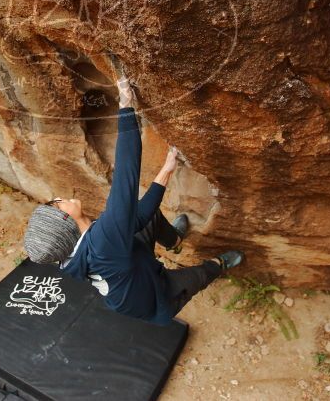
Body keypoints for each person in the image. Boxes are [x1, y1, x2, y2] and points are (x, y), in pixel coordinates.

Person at [23, 76, 245, 325]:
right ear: (66, 223)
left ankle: (174, 241)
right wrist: (125, 105)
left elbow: (137, 217)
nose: (57, 198)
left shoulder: (78, 253)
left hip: (129, 269)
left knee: (147, 217)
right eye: (54, 204)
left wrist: (167, 169)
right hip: (152, 296)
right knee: (198, 277)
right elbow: (126, 173)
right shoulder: (103, 242)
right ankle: (219, 264)